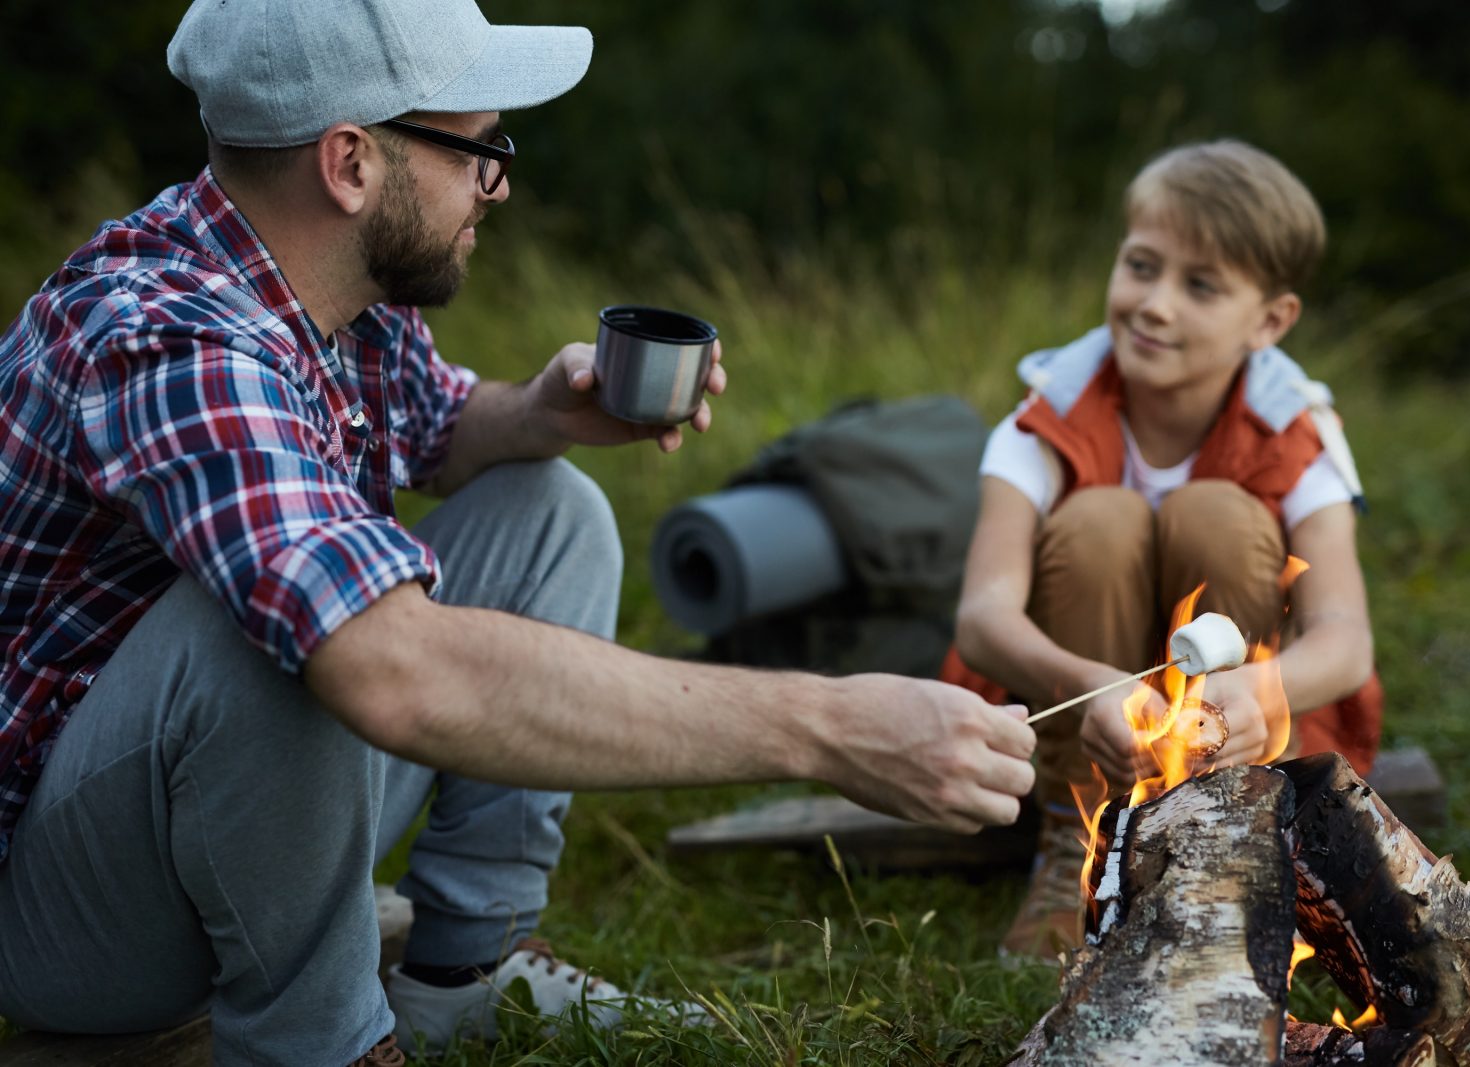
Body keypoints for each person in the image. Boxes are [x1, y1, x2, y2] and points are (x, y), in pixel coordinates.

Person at [0, 1, 1037, 1063]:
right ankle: (322, 1041)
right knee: (294, 631)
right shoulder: (171, 337)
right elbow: (392, 670)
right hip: (67, 913)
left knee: (550, 506)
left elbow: (436, 428)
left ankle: (466, 966)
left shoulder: (335, 280)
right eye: (477, 150)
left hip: (198, 808)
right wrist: (829, 727)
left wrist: (536, 415)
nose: (498, 183)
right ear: (350, 163)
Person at [944, 140, 1382, 960]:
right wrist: (1088, 684)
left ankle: (1216, 844)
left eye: (1200, 285)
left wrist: (1260, 687)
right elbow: (981, 615)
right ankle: (1074, 844)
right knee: (1099, 518)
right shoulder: (1049, 415)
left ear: (1271, 320)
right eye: (1141, 265)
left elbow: (1346, 638)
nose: (1154, 303)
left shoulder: (1295, 431)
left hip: (1229, 716)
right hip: (1088, 696)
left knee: (1218, 510)